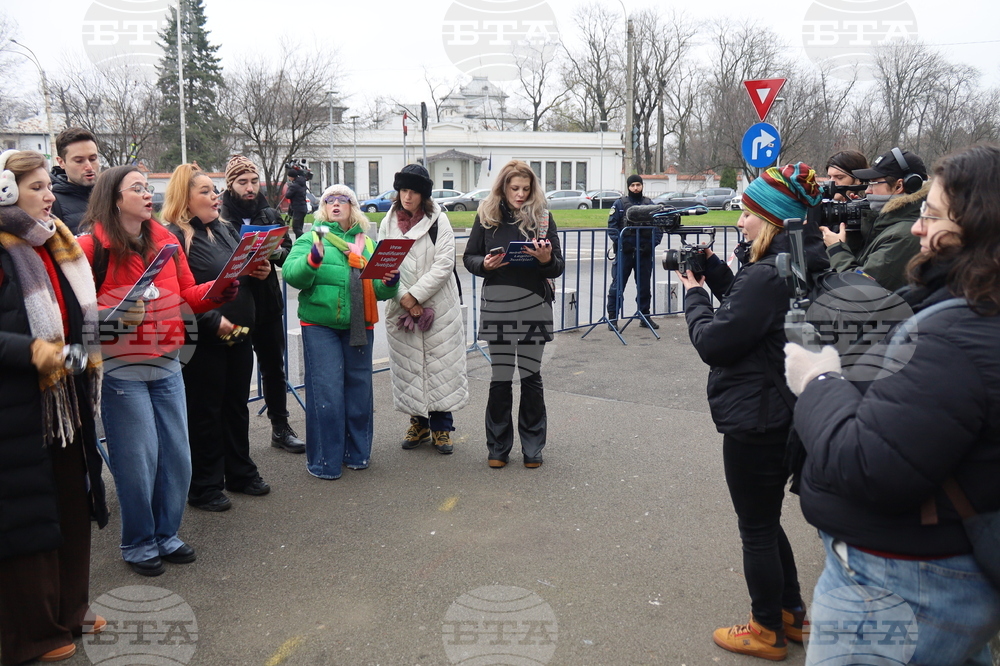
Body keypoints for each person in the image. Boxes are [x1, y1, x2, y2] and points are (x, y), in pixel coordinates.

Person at [785, 143, 1000, 665]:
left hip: (898, 584)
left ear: (975, 228)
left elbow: (871, 465)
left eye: (931, 214)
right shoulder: (964, 313)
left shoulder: (956, 335)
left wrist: (819, 382)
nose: (918, 229)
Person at [677, 163, 825, 660]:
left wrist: (695, 294)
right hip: (784, 407)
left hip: (756, 415)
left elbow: (716, 342)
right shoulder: (798, 259)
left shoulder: (766, 274)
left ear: (772, 218)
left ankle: (766, 629)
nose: (740, 221)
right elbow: (758, 319)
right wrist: (720, 275)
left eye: (748, 213)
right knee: (765, 519)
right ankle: (790, 614)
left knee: (756, 526)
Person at [77, 165, 226, 576]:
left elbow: (187, 296)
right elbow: (74, 315)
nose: (148, 194)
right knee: (137, 462)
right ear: (114, 198)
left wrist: (218, 291)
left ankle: (166, 533)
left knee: (178, 458)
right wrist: (114, 314)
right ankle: (139, 541)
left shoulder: (165, 240)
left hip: (168, 365)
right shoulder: (90, 248)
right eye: (137, 188)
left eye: (149, 187)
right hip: (122, 371)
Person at [0, 150, 107, 663]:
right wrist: (29, 351)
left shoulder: (55, 242)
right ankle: (32, 632)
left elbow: (72, 313)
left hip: (67, 395)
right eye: (37, 186)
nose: (49, 194)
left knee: (71, 503)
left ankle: (70, 608)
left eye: (49, 185)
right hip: (19, 406)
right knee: (29, 517)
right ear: (5, 192)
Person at [162, 164, 271, 512]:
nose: (216, 196)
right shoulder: (174, 237)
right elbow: (177, 293)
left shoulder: (225, 229)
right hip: (202, 338)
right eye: (206, 191)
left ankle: (239, 472)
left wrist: (260, 270)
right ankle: (205, 485)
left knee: (236, 405)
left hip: (239, 332)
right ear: (185, 198)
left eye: (215, 190)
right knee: (205, 412)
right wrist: (211, 319)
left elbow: (236, 275)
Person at [282, 184, 398, 479]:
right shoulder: (312, 238)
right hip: (320, 326)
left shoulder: (366, 244)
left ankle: (357, 454)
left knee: (359, 393)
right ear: (323, 208)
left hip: (359, 325)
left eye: (342, 200)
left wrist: (391, 280)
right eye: (329, 200)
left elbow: (381, 291)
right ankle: (324, 462)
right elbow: (293, 275)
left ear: (352, 207)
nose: (335, 204)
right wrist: (312, 260)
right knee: (328, 395)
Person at [463, 160, 565, 469]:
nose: (520, 195)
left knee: (531, 377)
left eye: (525, 189)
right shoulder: (487, 217)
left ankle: (532, 447)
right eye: (514, 188)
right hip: (499, 303)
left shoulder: (543, 218)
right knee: (501, 378)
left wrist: (546, 259)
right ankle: (498, 447)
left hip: (534, 303)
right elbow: (469, 256)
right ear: (503, 188)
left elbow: (558, 266)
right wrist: (485, 265)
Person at [378, 164, 469, 455]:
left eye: (413, 192)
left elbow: (445, 263)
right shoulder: (388, 221)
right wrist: (403, 297)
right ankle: (418, 423)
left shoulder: (438, 220)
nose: (407, 197)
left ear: (423, 195)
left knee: (442, 366)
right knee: (409, 365)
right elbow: (384, 263)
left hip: (438, 305)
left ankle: (442, 427)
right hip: (400, 305)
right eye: (403, 190)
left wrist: (415, 295)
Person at [219, 155, 304, 454]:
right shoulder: (219, 217)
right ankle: (233, 438)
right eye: (243, 182)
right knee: (235, 374)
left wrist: (272, 259)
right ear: (230, 184)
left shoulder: (268, 212)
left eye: (253, 181)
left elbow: (288, 249)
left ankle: (280, 427)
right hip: (235, 306)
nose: (250, 187)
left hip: (266, 302)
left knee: (273, 367)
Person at [821, 147, 927, 292]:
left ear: (899, 186)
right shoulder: (890, 222)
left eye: (873, 183)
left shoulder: (905, 235)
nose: (867, 191)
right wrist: (858, 223)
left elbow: (863, 287)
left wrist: (836, 249)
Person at [605, 174, 662, 329]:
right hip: (625, 252)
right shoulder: (619, 204)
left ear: (642, 186)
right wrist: (622, 243)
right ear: (628, 187)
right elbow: (612, 227)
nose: (636, 188)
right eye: (632, 185)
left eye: (638, 185)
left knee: (644, 286)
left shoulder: (649, 204)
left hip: (644, 252)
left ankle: (644, 316)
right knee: (618, 286)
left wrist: (651, 245)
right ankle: (613, 318)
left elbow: (658, 228)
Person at [50, 128, 101, 234]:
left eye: (93, 159)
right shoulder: (51, 202)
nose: (89, 167)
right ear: (61, 162)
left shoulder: (113, 194)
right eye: (79, 161)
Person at [283, 166, 310, 239]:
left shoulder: (294, 186)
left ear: (291, 177)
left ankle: (305, 239)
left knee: (295, 227)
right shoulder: (302, 184)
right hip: (303, 208)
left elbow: (288, 195)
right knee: (299, 227)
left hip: (297, 209)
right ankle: (299, 243)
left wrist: (289, 187)